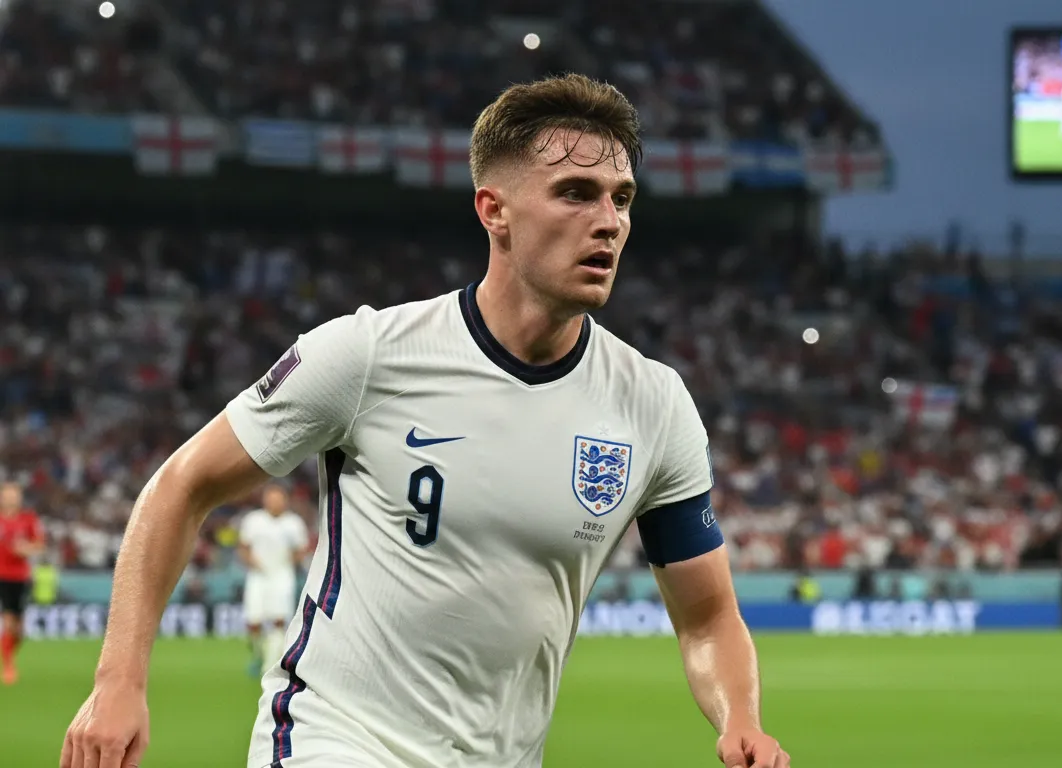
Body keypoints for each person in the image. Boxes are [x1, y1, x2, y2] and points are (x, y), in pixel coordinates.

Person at [61, 73, 789, 768]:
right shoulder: (368, 355)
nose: (608, 222)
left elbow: (707, 617)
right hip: (331, 738)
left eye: (622, 198)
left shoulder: (653, 404)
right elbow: (182, 484)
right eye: (576, 193)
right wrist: (118, 680)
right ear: (493, 210)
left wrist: (741, 719)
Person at [237, 484, 308, 678]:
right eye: (271, 498)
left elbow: (301, 549)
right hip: (258, 576)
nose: (274, 502)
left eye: (278, 498)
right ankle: (258, 655)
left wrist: (288, 563)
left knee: (278, 619)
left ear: (284, 500)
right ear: (265, 500)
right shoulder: (253, 520)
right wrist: (251, 561)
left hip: (282, 575)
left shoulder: (294, 523)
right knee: (254, 622)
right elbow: (243, 546)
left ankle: (271, 663)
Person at [0, 481, 45, 685]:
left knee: (20, 630)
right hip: (3, 576)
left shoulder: (28, 519)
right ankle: (8, 667)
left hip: (21, 577)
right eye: (7, 495)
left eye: (14, 495)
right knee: (9, 621)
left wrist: (25, 549)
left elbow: (39, 545)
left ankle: (8, 654)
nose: (11, 498)